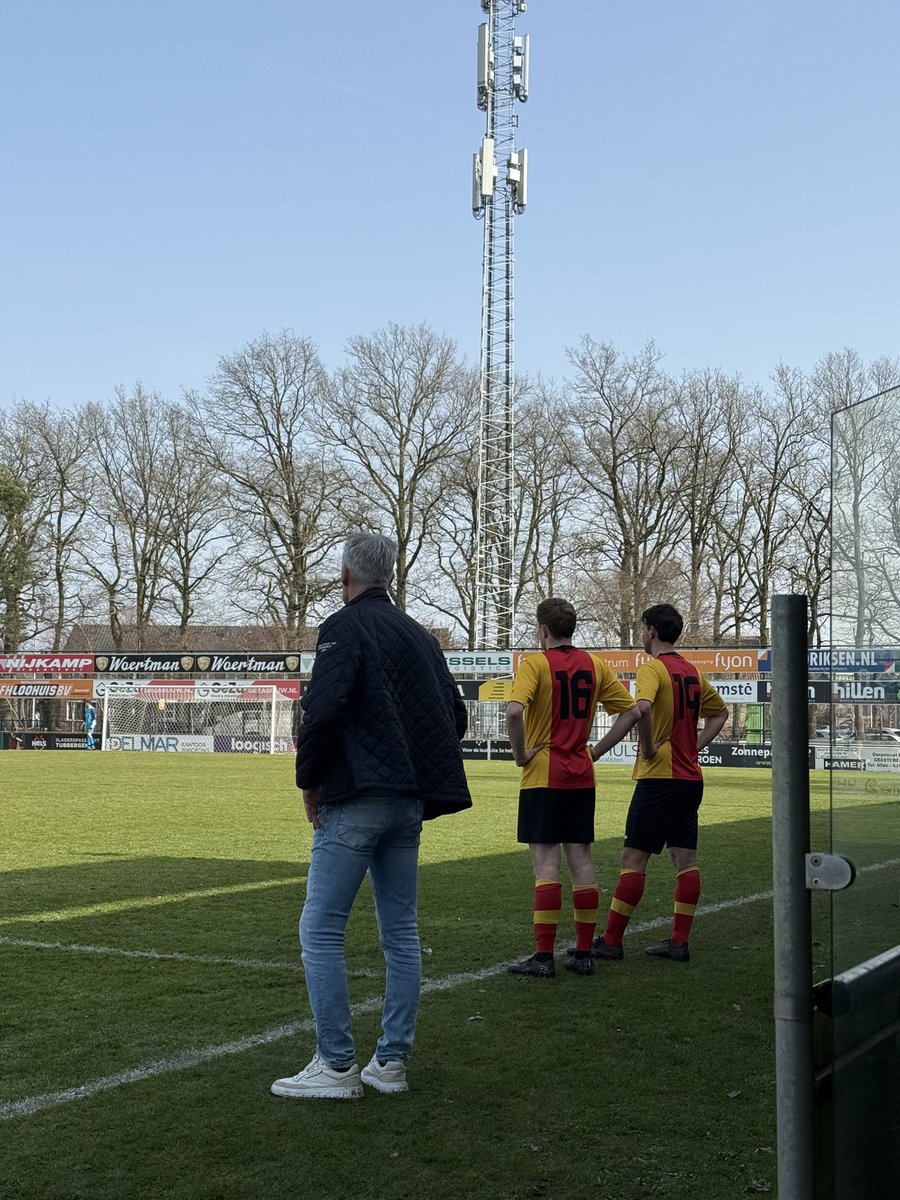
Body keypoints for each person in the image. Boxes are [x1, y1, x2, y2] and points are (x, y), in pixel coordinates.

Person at [271, 532, 471, 1101]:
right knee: (401, 932)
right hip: (408, 800)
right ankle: (391, 1064)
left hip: (359, 796)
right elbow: (453, 716)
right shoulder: (421, 636)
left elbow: (323, 710)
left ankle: (336, 1065)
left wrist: (309, 781)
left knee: (320, 927)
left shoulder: (343, 626)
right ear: (390, 574)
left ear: (344, 576)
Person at [505, 597, 641, 979]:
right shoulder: (595, 665)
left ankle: (544, 957)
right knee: (580, 860)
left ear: (543, 630)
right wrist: (595, 750)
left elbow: (514, 711)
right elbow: (632, 711)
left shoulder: (534, 664)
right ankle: (583, 953)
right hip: (581, 772)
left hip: (543, 773)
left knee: (546, 863)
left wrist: (520, 754)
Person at [591, 603, 728, 963]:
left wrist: (650, 745)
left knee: (633, 858)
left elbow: (643, 709)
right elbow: (721, 712)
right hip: (689, 779)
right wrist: (694, 746)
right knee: (686, 860)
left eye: (642, 628)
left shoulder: (652, 669)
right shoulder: (692, 672)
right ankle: (679, 942)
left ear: (651, 631)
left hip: (660, 778)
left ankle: (611, 941)